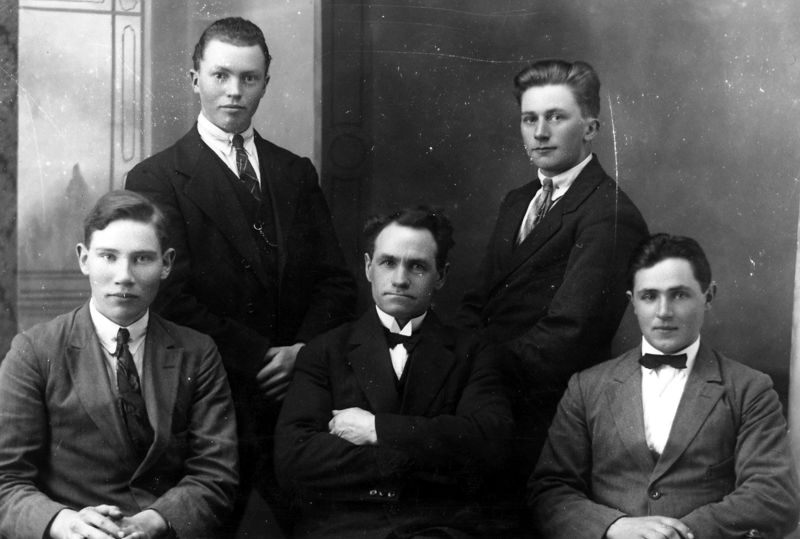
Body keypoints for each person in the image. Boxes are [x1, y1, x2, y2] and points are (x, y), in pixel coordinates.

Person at [125, 17, 357, 530]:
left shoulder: (295, 171)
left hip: (298, 396)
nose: (234, 91)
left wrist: (302, 354)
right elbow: (168, 298)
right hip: (210, 398)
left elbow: (336, 282)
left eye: (249, 78)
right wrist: (260, 358)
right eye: (221, 75)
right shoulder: (156, 177)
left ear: (265, 83)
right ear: (195, 80)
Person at [0, 190, 238, 539]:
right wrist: (65, 523)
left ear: (166, 264)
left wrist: (152, 521)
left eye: (142, 259)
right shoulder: (34, 352)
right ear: (84, 259)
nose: (124, 275)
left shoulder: (197, 352)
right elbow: (5, 480)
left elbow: (216, 474)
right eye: (108, 257)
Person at [529, 233, 799, 539]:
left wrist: (680, 533)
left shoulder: (749, 389)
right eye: (649, 296)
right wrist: (612, 526)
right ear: (632, 302)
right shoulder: (587, 387)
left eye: (679, 295)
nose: (663, 312)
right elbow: (550, 491)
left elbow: (773, 494)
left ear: (708, 296)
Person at [457, 59, 649, 476]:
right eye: (530, 119)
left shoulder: (610, 214)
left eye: (556, 117)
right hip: (487, 395)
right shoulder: (518, 200)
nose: (540, 132)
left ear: (590, 128)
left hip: (546, 413)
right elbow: (477, 300)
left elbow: (569, 335)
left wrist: (472, 368)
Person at [274, 207, 514, 538]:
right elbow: (294, 461)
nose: (400, 279)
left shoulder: (474, 353)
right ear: (368, 267)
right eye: (388, 262)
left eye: (417, 266)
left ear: (441, 275)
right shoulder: (324, 350)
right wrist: (427, 455)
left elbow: (489, 446)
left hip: (439, 529)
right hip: (343, 529)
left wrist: (377, 429)